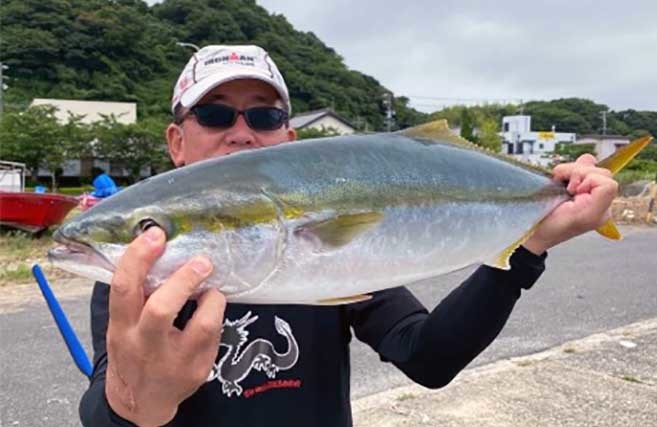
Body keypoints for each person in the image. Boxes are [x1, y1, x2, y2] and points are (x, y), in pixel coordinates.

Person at [79, 44, 619, 427]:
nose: (241, 132)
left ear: (289, 139)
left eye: (264, 116)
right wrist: (135, 405)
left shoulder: (336, 260)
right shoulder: (142, 271)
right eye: (215, 114)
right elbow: (102, 410)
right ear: (177, 140)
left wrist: (532, 245)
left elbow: (428, 357)